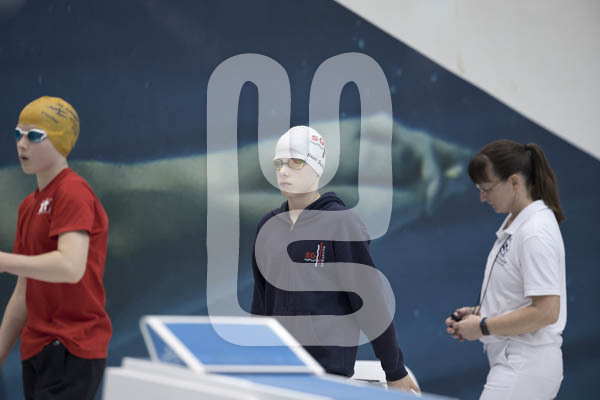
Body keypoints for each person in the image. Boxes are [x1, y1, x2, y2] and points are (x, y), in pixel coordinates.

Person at [251, 125, 419, 393]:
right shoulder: (268, 226)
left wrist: (395, 370)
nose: (283, 171)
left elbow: (370, 302)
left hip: (326, 375)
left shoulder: (342, 224)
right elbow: (260, 305)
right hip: (277, 371)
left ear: (317, 167)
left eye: (295, 162)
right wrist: (252, 362)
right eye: (278, 163)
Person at [0, 96, 112, 400]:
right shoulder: (28, 206)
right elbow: (23, 294)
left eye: (34, 136)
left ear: (62, 141)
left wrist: (4, 261)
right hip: (36, 350)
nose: (22, 144)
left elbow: (70, 267)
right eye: (18, 134)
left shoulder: (72, 192)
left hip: (72, 348)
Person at [445, 139, 566, 399]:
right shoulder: (518, 225)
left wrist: (483, 326)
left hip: (525, 366)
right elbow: (522, 299)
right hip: (518, 362)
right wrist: (479, 313)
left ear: (514, 182)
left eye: (487, 188)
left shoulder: (534, 232)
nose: (482, 198)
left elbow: (547, 311)